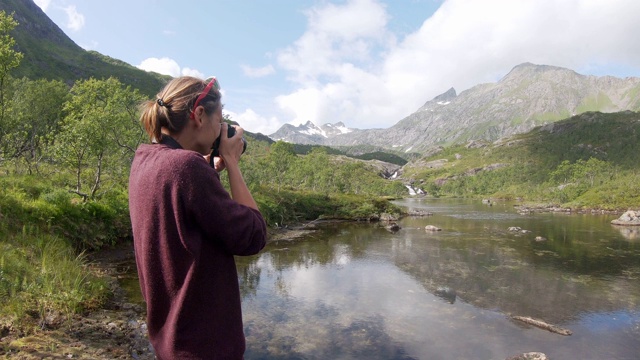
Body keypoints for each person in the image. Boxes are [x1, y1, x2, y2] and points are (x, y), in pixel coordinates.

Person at [128, 76, 267, 359]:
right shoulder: (187, 167)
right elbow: (253, 235)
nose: (220, 130)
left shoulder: (145, 159)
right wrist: (232, 164)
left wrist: (210, 172)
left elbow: (180, 206)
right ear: (199, 115)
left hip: (171, 341)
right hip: (205, 347)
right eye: (219, 120)